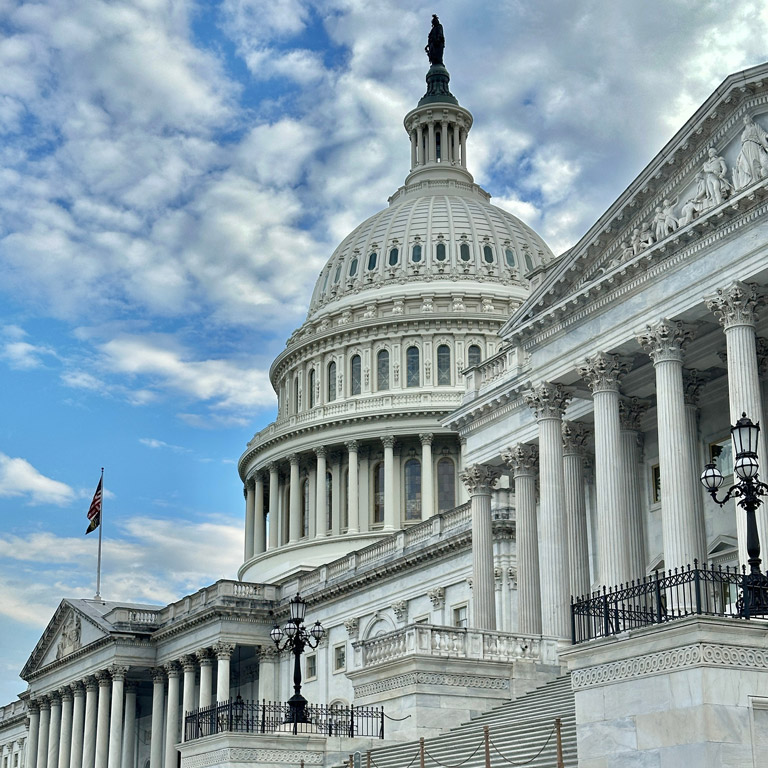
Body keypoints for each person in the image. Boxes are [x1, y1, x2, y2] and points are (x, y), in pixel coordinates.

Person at [733, 115, 768, 190]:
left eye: (747, 118)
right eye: (744, 119)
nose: (745, 119)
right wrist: (739, 156)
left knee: (754, 162)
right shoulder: (744, 132)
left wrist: (766, 136)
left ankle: (756, 178)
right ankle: (750, 181)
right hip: (745, 149)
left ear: (750, 119)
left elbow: (761, 134)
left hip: (753, 146)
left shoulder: (755, 126)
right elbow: (743, 145)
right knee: (742, 164)